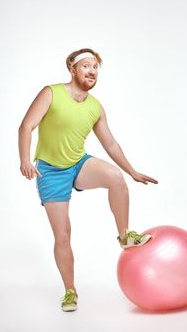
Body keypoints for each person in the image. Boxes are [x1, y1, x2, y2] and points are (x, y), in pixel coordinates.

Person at [18, 48, 158, 312]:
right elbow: (26, 126)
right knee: (63, 235)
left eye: (96, 67)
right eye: (86, 66)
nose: (92, 71)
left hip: (78, 164)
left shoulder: (95, 107)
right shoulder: (51, 92)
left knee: (115, 178)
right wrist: (25, 159)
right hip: (50, 171)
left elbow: (111, 144)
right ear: (72, 69)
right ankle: (70, 291)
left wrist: (131, 171)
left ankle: (124, 236)